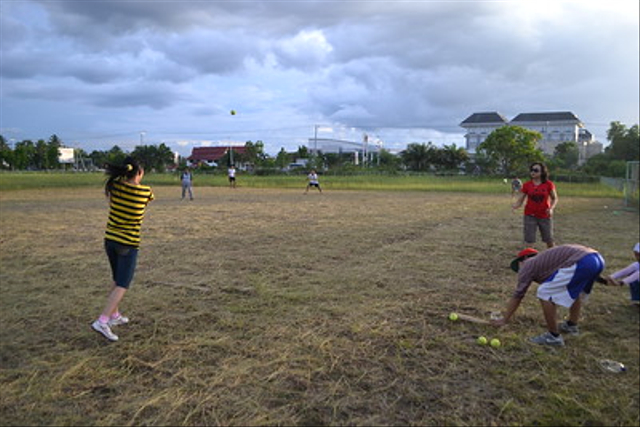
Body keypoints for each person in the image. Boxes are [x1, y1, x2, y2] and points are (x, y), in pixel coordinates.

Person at [492, 244, 605, 346]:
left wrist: (505, 319)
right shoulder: (548, 262)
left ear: (524, 259)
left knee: (544, 292)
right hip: (596, 257)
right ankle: (571, 325)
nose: (520, 270)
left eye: (518, 266)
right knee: (574, 290)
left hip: (582, 260)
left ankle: (553, 336)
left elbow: (518, 295)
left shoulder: (527, 264)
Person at [91, 157, 154, 342]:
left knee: (116, 279)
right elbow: (147, 199)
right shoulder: (145, 192)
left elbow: (114, 195)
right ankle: (102, 321)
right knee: (123, 284)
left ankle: (114, 315)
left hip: (110, 239)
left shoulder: (115, 187)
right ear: (139, 173)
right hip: (128, 243)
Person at [512, 162, 558, 248]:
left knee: (549, 240)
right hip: (530, 215)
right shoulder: (527, 185)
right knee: (529, 241)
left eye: (536, 170)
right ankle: (529, 259)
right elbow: (521, 199)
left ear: (542, 172)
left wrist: (551, 208)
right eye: (531, 170)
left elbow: (554, 198)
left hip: (544, 215)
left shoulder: (548, 184)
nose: (533, 172)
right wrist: (515, 205)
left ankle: (554, 258)